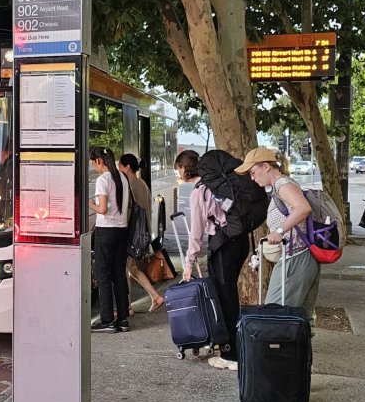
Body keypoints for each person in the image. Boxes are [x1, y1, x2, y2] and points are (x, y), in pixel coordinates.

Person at [175, 149, 253, 370]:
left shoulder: (200, 191)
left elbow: (196, 232)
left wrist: (189, 263)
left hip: (223, 245)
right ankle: (237, 347)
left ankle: (231, 355)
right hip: (240, 241)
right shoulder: (220, 184)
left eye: (178, 168)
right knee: (230, 297)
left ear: (183, 168)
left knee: (225, 300)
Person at [236, 147, 320, 317]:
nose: (252, 178)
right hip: (298, 257)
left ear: (266, 166)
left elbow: (303, 208)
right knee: (296, 316)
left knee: (275, 315)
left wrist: (280, 231)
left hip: (295, 257)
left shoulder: (283, 184)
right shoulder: (281, 185)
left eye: (253, 172)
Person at [89, 146, 131, 332]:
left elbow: (103, 209)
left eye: (94, 163)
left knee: (104, 275)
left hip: (106, 231)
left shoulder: (103, 179)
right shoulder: (122, 177)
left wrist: (91, 205)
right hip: (121, 230)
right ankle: (123, 319)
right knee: (119, 274)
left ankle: (106, 320)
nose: (94, 166)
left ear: (99, 161)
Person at [117, 153, 165, 316]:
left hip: (132, 232)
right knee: (132, 268)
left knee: (125, 268)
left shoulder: (130, 184)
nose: (118, 169)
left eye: (120, 166)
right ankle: (156, 297)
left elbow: (128, 210)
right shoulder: (141, 183)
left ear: (127, 167)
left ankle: (127, 306)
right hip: (142, 231)